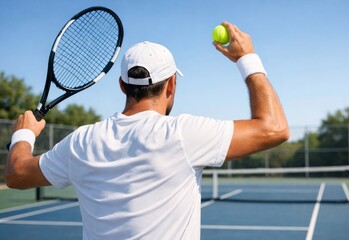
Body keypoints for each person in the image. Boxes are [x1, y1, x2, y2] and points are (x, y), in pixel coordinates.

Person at [5, 21, 289, 239]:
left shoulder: (82, 141)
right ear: (171, 85)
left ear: (121, 86)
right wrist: (247, 57)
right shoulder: (183, 134)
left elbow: (17, 174)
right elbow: (274, 128)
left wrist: (24, 133)